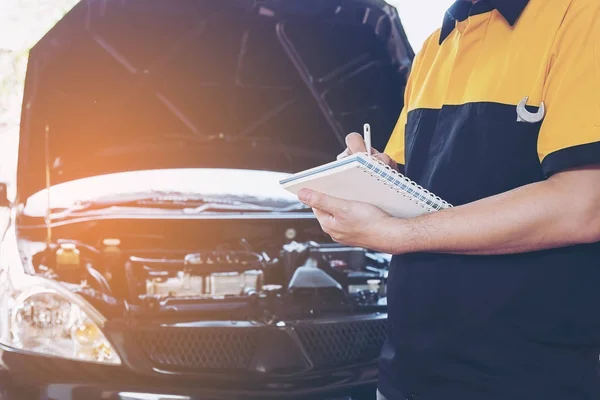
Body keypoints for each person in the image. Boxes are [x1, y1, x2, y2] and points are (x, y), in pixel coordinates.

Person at [297, 0, 600, 399]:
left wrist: (400, 235)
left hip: (527, 378)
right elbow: (415, 179)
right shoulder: (433, 48)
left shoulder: (580, 15)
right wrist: (370, 174)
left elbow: (584, 204)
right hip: (406, 376)